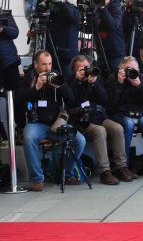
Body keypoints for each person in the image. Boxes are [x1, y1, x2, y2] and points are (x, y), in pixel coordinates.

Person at [16, 50, 86, 191]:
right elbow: (19, 100)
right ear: (35, 64)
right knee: (29, 138)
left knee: (80, 140)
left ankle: (64, 173)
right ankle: (37, 179)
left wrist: (61, 87)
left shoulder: (57, 76)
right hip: (37, 123)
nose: (47, 68)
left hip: (57, 123)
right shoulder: (28, 78)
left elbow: (71, 100)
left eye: (50, 64)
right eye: (44, 64)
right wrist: (36, 88)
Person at [69, 55, 135, 185]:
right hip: (83, 121)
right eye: (81, 69)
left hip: (99, 116)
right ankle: (104, 171)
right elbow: (71, 101)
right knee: (100, 131)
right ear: (74, 71)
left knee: (117, 128)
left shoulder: (95, 78)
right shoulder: (71, 82)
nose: (85, 71)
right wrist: (77, 81)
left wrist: (94, 83)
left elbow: (105, 99)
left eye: (87, 68)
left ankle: (121, 167)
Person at [106, 57, 143, 177]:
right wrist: (119, 83)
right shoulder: (113, 78)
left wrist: (139, 85)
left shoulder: (142, 78)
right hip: (119, 114)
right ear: (121, 70)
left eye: (134, 69)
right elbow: (110, 105)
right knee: (128, 123)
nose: (131, 72)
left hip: (140, 114)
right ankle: (123, 166)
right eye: (128, 69)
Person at [27, 0, 81, 78]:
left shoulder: (72, 8)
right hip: (49, 58)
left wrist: (62, 3)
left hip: (66, 59)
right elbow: (37, 19)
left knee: (67, 86)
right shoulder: (47, 8)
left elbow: (76, 18)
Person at [95, 0, 125, 73]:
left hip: (116, 54)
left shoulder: (116, 8)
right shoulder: (96, 9)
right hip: (101, 53)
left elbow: (113, 25)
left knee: (115, 80)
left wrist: (103, 8)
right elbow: (92, 28)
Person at [0, 10, 21, 91]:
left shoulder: (4, 13)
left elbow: (15, 33)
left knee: (13, 93)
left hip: (9, 62)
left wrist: (3, 28)